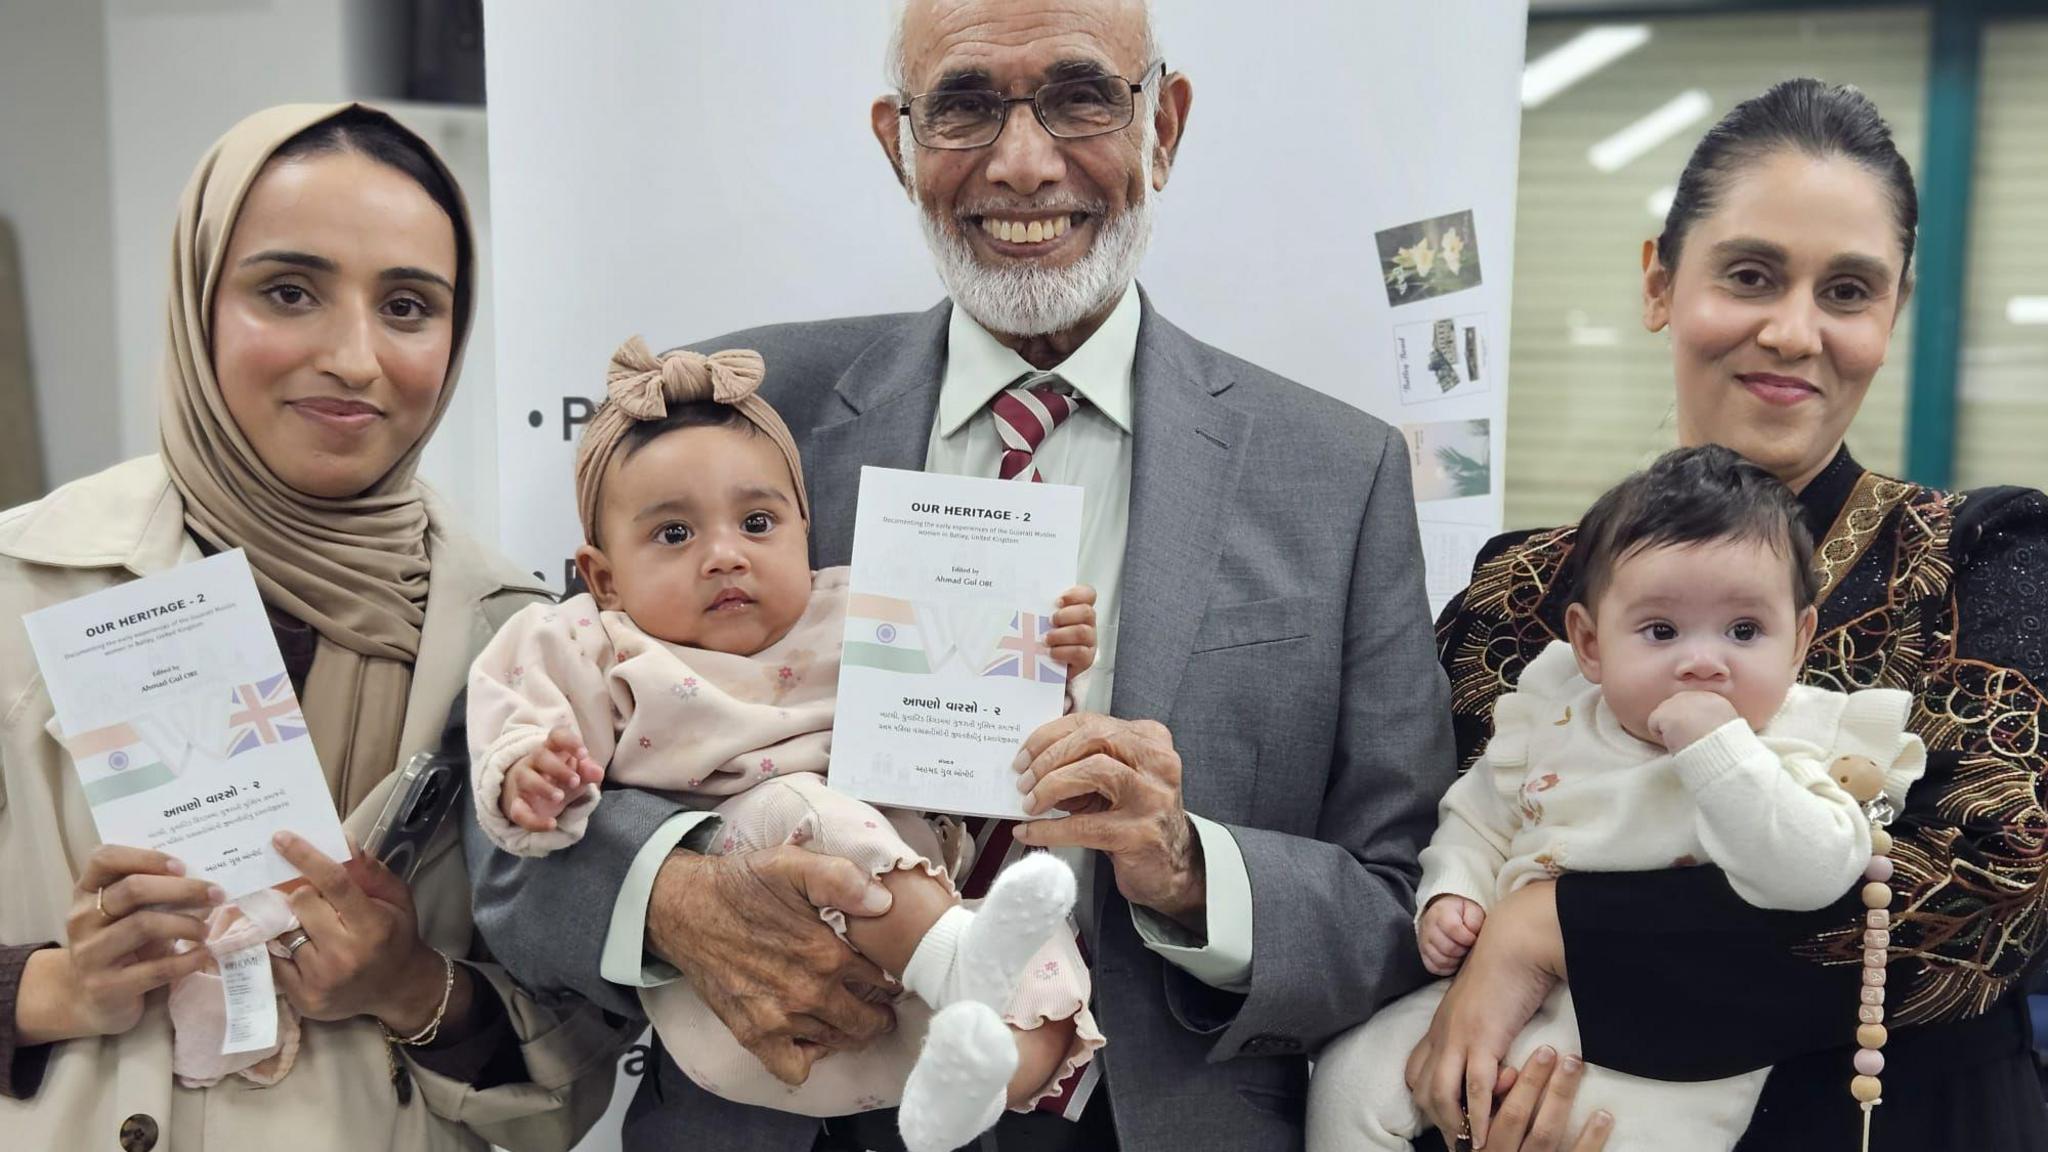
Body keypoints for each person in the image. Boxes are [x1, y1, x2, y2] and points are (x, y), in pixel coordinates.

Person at [463, 1, 1458, 1148]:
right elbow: (517, 781)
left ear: (1163, 128)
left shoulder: (1332, 473)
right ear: (897, 141)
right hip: (789, 1105)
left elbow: (1401, 905)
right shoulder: (742, 420)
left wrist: (1188, 868)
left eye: (1081, 95)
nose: (1022, 163)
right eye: (965, 105)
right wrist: (679, 895)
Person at [1407, 79, 2048, 1150]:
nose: (1792, 331)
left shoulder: (1979, 560)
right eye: (1748, 275)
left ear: (1889, 315)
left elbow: (1981, 901)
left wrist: (1542, 932)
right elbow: (1425, 865)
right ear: (1658, 281)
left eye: (1847, 291)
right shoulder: (1518, 598)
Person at [0, 104, 628, 1151]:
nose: (353, 356)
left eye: (408, 307)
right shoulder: (22, 586)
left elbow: (581, 1053)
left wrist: (412, 986)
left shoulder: (520, 643)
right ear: (198, 298)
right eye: (288, 292)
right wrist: (59, 988)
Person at [469, 336, 1104, 1152]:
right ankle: (958, 959)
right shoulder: (596, 642)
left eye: (758, 522)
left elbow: (977, 713)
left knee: (1049, 952)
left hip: (897, 981)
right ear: (602, 577)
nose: (725, 553)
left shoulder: (859, 610)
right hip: (747, 959)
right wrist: (531, 772)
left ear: (806, 530)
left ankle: (976, 1083)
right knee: (804, 808)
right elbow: (514, 718)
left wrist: (1046, 653)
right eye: (673, 535)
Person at [1308, 445, 1927, 1152]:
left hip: (1663, 1043)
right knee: (1350, 1076)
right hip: (1491, 994)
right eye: (1661, 632)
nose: (1703, 660)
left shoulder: (1796, 742)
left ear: (1800, 641)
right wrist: (1456, 894)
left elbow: (1813, 873)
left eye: (1745, 632)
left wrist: (1718, 752)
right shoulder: (1555, 711)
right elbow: (1477, 820)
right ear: (1591, 643)